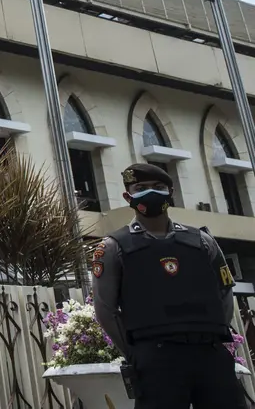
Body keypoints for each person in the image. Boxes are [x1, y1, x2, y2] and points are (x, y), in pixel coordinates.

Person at [92, 162, 245, 408]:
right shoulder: (113, 247)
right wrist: (136, 355)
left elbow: (225, 293)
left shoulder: (202, 241)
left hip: (211, 353)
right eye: (141, 187)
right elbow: (105, 309)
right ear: (127, 195)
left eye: (159, 187)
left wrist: (214, 332)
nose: (151, 193)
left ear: (170, 192)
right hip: (156, 358)